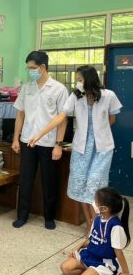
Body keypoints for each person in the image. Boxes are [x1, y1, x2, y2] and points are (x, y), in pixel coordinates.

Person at [28, 65, 122, 230]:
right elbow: (60, 117)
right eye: (77, 80)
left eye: (80, 79)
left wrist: (100, 131)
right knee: (80, 186)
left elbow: (112, 119)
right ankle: (89, 225)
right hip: (81, 148)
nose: (78, 83)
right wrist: (39, 134)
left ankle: (97, 226)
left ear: (90, 79)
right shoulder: (76, 97)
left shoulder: (108, 95)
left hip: (101, 148)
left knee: (94, 186)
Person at [12, 51, 68, 230]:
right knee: (25, 180)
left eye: (33, 68)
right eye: (28, 68)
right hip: (27, 140)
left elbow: (62, 120)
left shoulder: (59, 89)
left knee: (49, 181)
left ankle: (49, 218)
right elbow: (20, 114)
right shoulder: (26, 88)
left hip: (49, 143)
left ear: (43, 67)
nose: (30, 71)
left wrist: (58, 145)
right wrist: (15, 138)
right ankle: (22, 216)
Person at [60, 187, 132, 275]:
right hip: (90, 255)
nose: (93, 203)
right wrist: (77, 247)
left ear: (104, 209)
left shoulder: (115, 226)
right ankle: (91, 272)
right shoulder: (97, 219)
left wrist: (126, 273)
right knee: (65, 268)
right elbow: (90, 239)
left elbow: (119, 252)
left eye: (96, 201)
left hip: (104, 262)